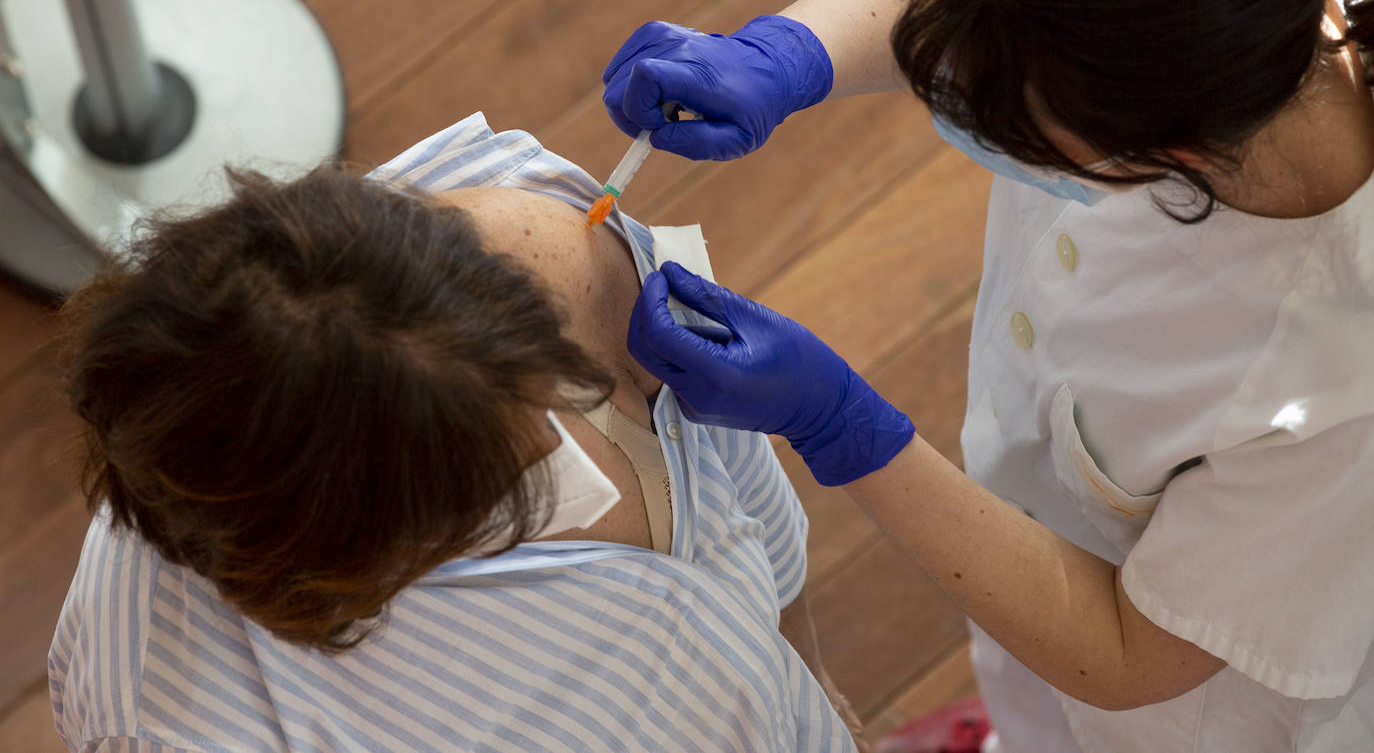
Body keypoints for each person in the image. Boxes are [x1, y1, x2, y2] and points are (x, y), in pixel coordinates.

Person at [601, 0, 1374, 753]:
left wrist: (843, 425)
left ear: (1168, 157)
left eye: (1014, 121)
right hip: (1036, 548)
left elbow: (1129, 655)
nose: (954, 82)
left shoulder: (1339, 386)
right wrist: (789, 52)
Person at [48, 112, 864, 752]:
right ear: (362, 552)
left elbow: (727, 466)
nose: (568, 436)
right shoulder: (174, 723)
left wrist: (806, 672)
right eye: (495, 471)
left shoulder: (530, 229)